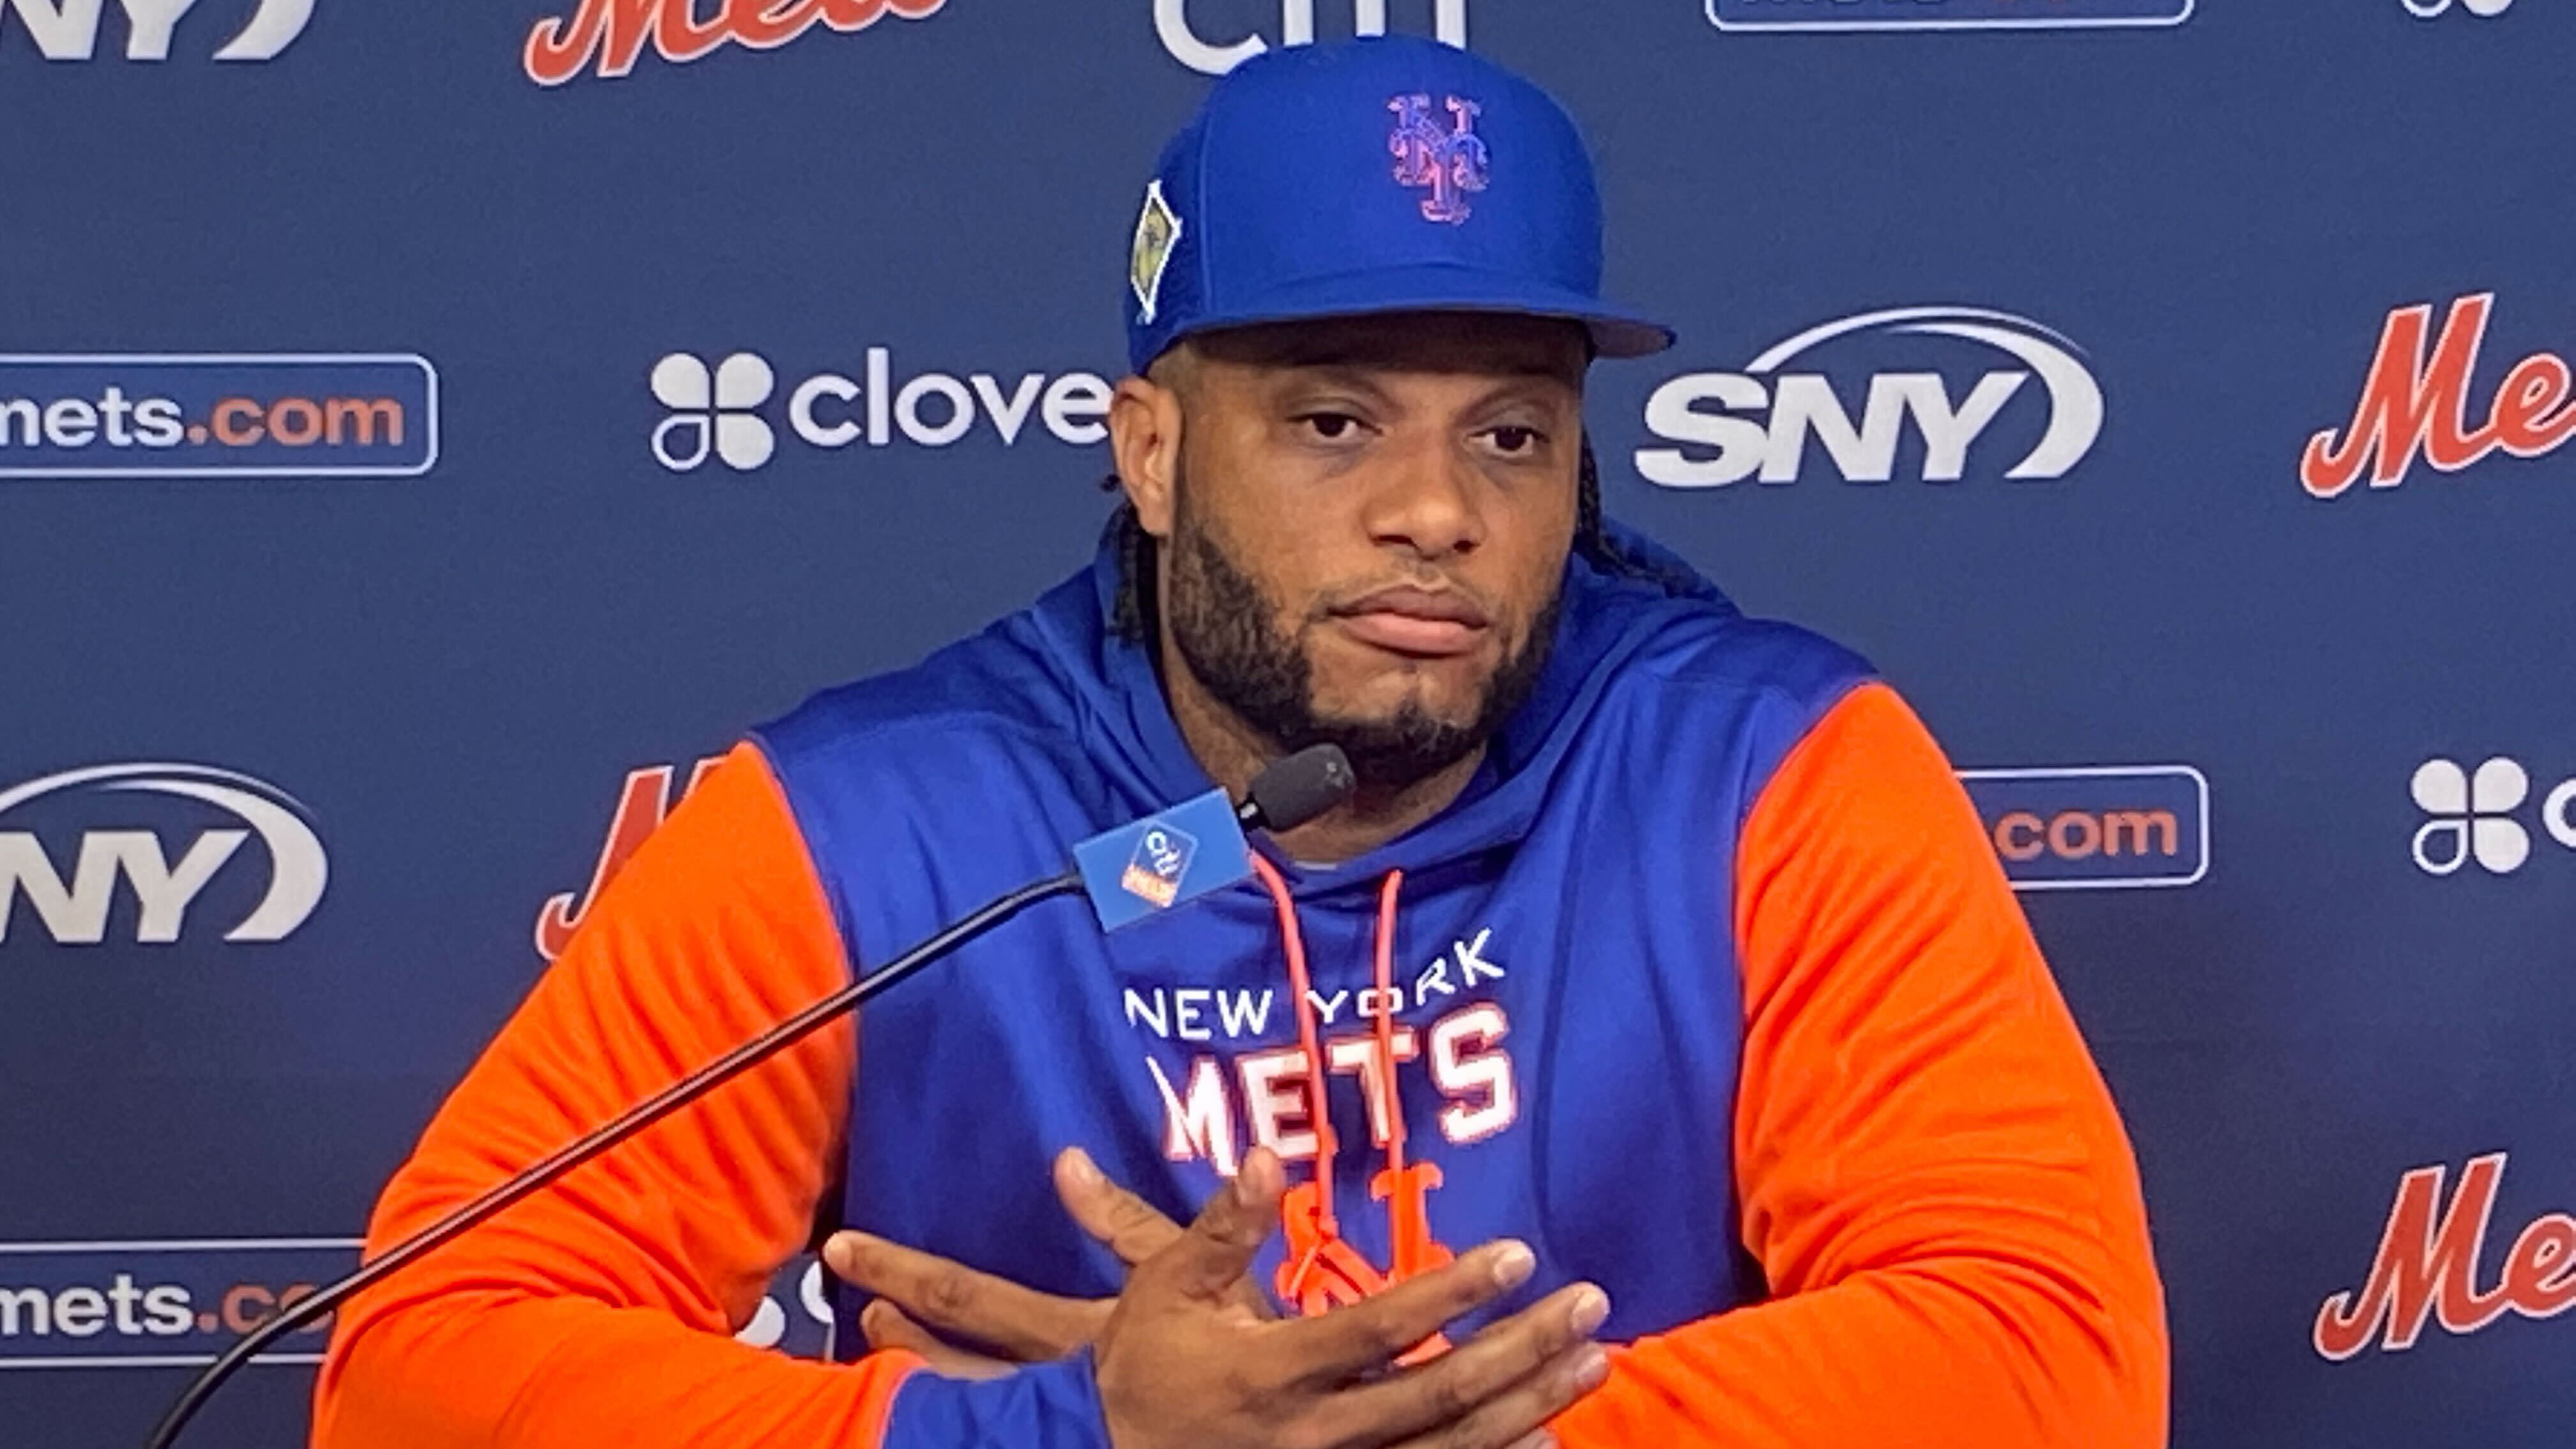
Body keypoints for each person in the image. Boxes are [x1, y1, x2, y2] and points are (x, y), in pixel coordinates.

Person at [312, 36, 2168, 1449]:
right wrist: (1063, 1432)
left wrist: (1405, 1433)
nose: (1437, 512)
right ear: (1152, 453)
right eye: (1335, 422)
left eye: (1511, 433)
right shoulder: (879, 826)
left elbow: (2053, 1355)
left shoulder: (1770, 770)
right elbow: (415, 1365)